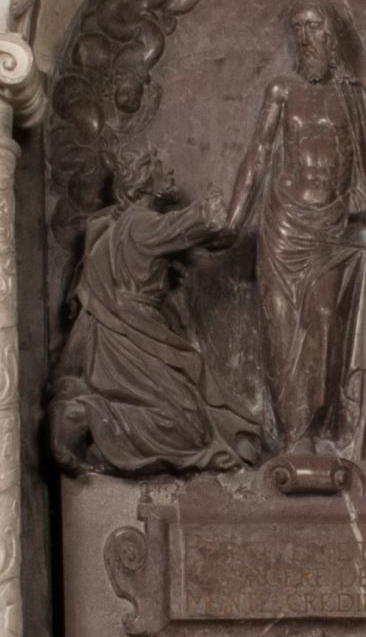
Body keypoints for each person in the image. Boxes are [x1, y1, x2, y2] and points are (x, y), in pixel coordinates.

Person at [226, 3, 366, 458]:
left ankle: (318, 422)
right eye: (298, 29)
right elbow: (258, 153)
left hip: (330, 230)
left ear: (334, 35)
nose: (305, 38)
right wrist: (233, 218)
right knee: (281, 327)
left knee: (324, 323)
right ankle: (296, 439)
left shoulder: (356, 100)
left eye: (314, 27)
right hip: (284, 227)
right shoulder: (282, 90)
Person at [50, 148, 259, 475]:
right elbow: (199, 224)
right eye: (161, 167)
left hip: (124, 332)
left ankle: (98, 435)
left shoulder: (118, 226)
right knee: (186, 423)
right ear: (145, 180)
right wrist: (224, 197)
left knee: (191, 407)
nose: (170, 173)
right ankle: (85, 416)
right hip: (133, 334)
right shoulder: (142, 224)